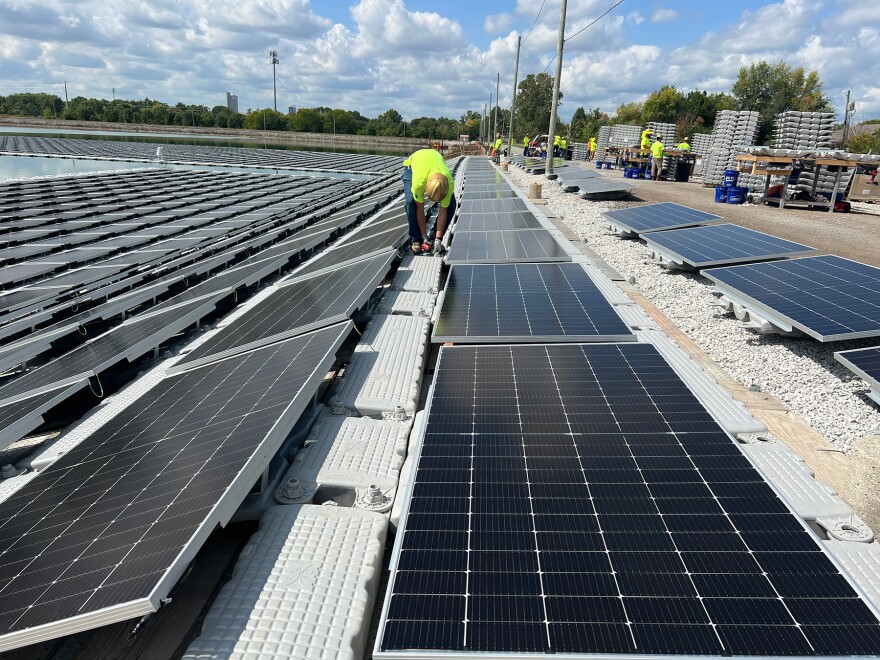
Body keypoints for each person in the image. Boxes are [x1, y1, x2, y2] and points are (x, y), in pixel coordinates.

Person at [402, 148, 456, 255]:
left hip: (433, 166)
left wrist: (439, 238)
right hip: (412, 168)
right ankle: (416, 240)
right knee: (410, 202)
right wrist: (423, 235)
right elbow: (420, 209)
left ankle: (434, 238)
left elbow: (443, 211)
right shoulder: (419, 183)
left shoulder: (448, 184)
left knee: (451, 205)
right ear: (426, 188)